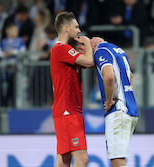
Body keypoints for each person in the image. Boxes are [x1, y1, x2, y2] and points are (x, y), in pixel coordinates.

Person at [50, 11, 94, 167]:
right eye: (76, 27)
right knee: (82, 159)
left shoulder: (65, 51)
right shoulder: (61, 49)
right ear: (66, 28)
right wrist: (88, 43)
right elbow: (89, 62)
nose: (79, 31)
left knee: (64, 159)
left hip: (67, 110)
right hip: (67, 111)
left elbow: (88, 63)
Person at [90, 37, 139, 167]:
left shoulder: (100, 51)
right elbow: (131, 77)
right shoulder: (118, 50)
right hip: (130, 108)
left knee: (117, 160)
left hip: (118, 110)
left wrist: (109, 99)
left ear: (93, 44)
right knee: (118, 158)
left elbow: (109, 76)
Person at [0, 23, 26, 106]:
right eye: (14, 30)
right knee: (5, 89)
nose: (16, 31)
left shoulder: (20, 41)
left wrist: (13, 52)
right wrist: (4, 54)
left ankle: (15, 104)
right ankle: (5, 104)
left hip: (16, 70)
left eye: (17, 30)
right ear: (8, 31)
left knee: (15, 88)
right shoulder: (4, 41)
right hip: (5, 70)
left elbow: (23, 51)